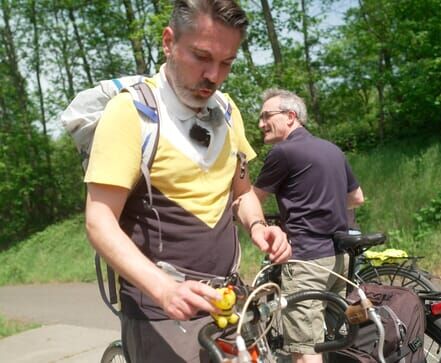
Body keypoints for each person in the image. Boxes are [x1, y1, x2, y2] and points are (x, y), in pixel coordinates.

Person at [84, 1, 291, 362]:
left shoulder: (227, 111)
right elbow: (99, 221)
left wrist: (259, 226)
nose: (214, 75)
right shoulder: (131, 113)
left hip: (228, 302)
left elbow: (242, 195)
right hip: (161, 312)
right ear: (168, 42)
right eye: (202, 57)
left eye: (226, 63)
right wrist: (162, 288)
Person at [253, 89, 364, 363]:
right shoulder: (332, 149)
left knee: (305, 351)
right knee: (328, 340)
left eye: (266, 115)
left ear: (291, 116)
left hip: (305, 261)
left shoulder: (284, 152)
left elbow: (251, 200)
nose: (260, 123)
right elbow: (356, 198)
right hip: (338, 261)